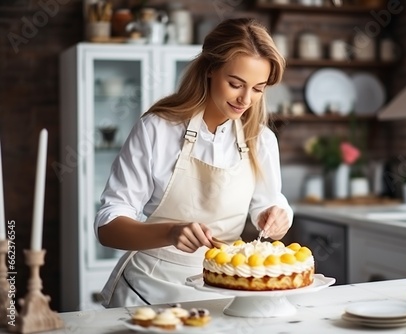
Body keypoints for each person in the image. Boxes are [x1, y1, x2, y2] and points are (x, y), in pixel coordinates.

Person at [94, 17, 293, 308]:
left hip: (225, 290)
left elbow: (268, 202)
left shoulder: (261, 140)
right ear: (210, 69)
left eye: (258, 88)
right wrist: (170, 232)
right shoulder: (157, 129)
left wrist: (276, 216)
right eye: (235, 84)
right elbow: (108, 226)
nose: (246, 99)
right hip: (150, 291)